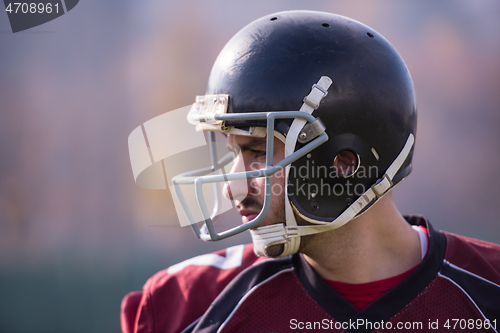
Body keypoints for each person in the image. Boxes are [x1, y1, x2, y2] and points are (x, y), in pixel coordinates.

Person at [122, 11, 500, 333]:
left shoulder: (488, 291)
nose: (232, 189)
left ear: (345, 161)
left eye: (257, 152)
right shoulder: (186, 306)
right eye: (233, 152)